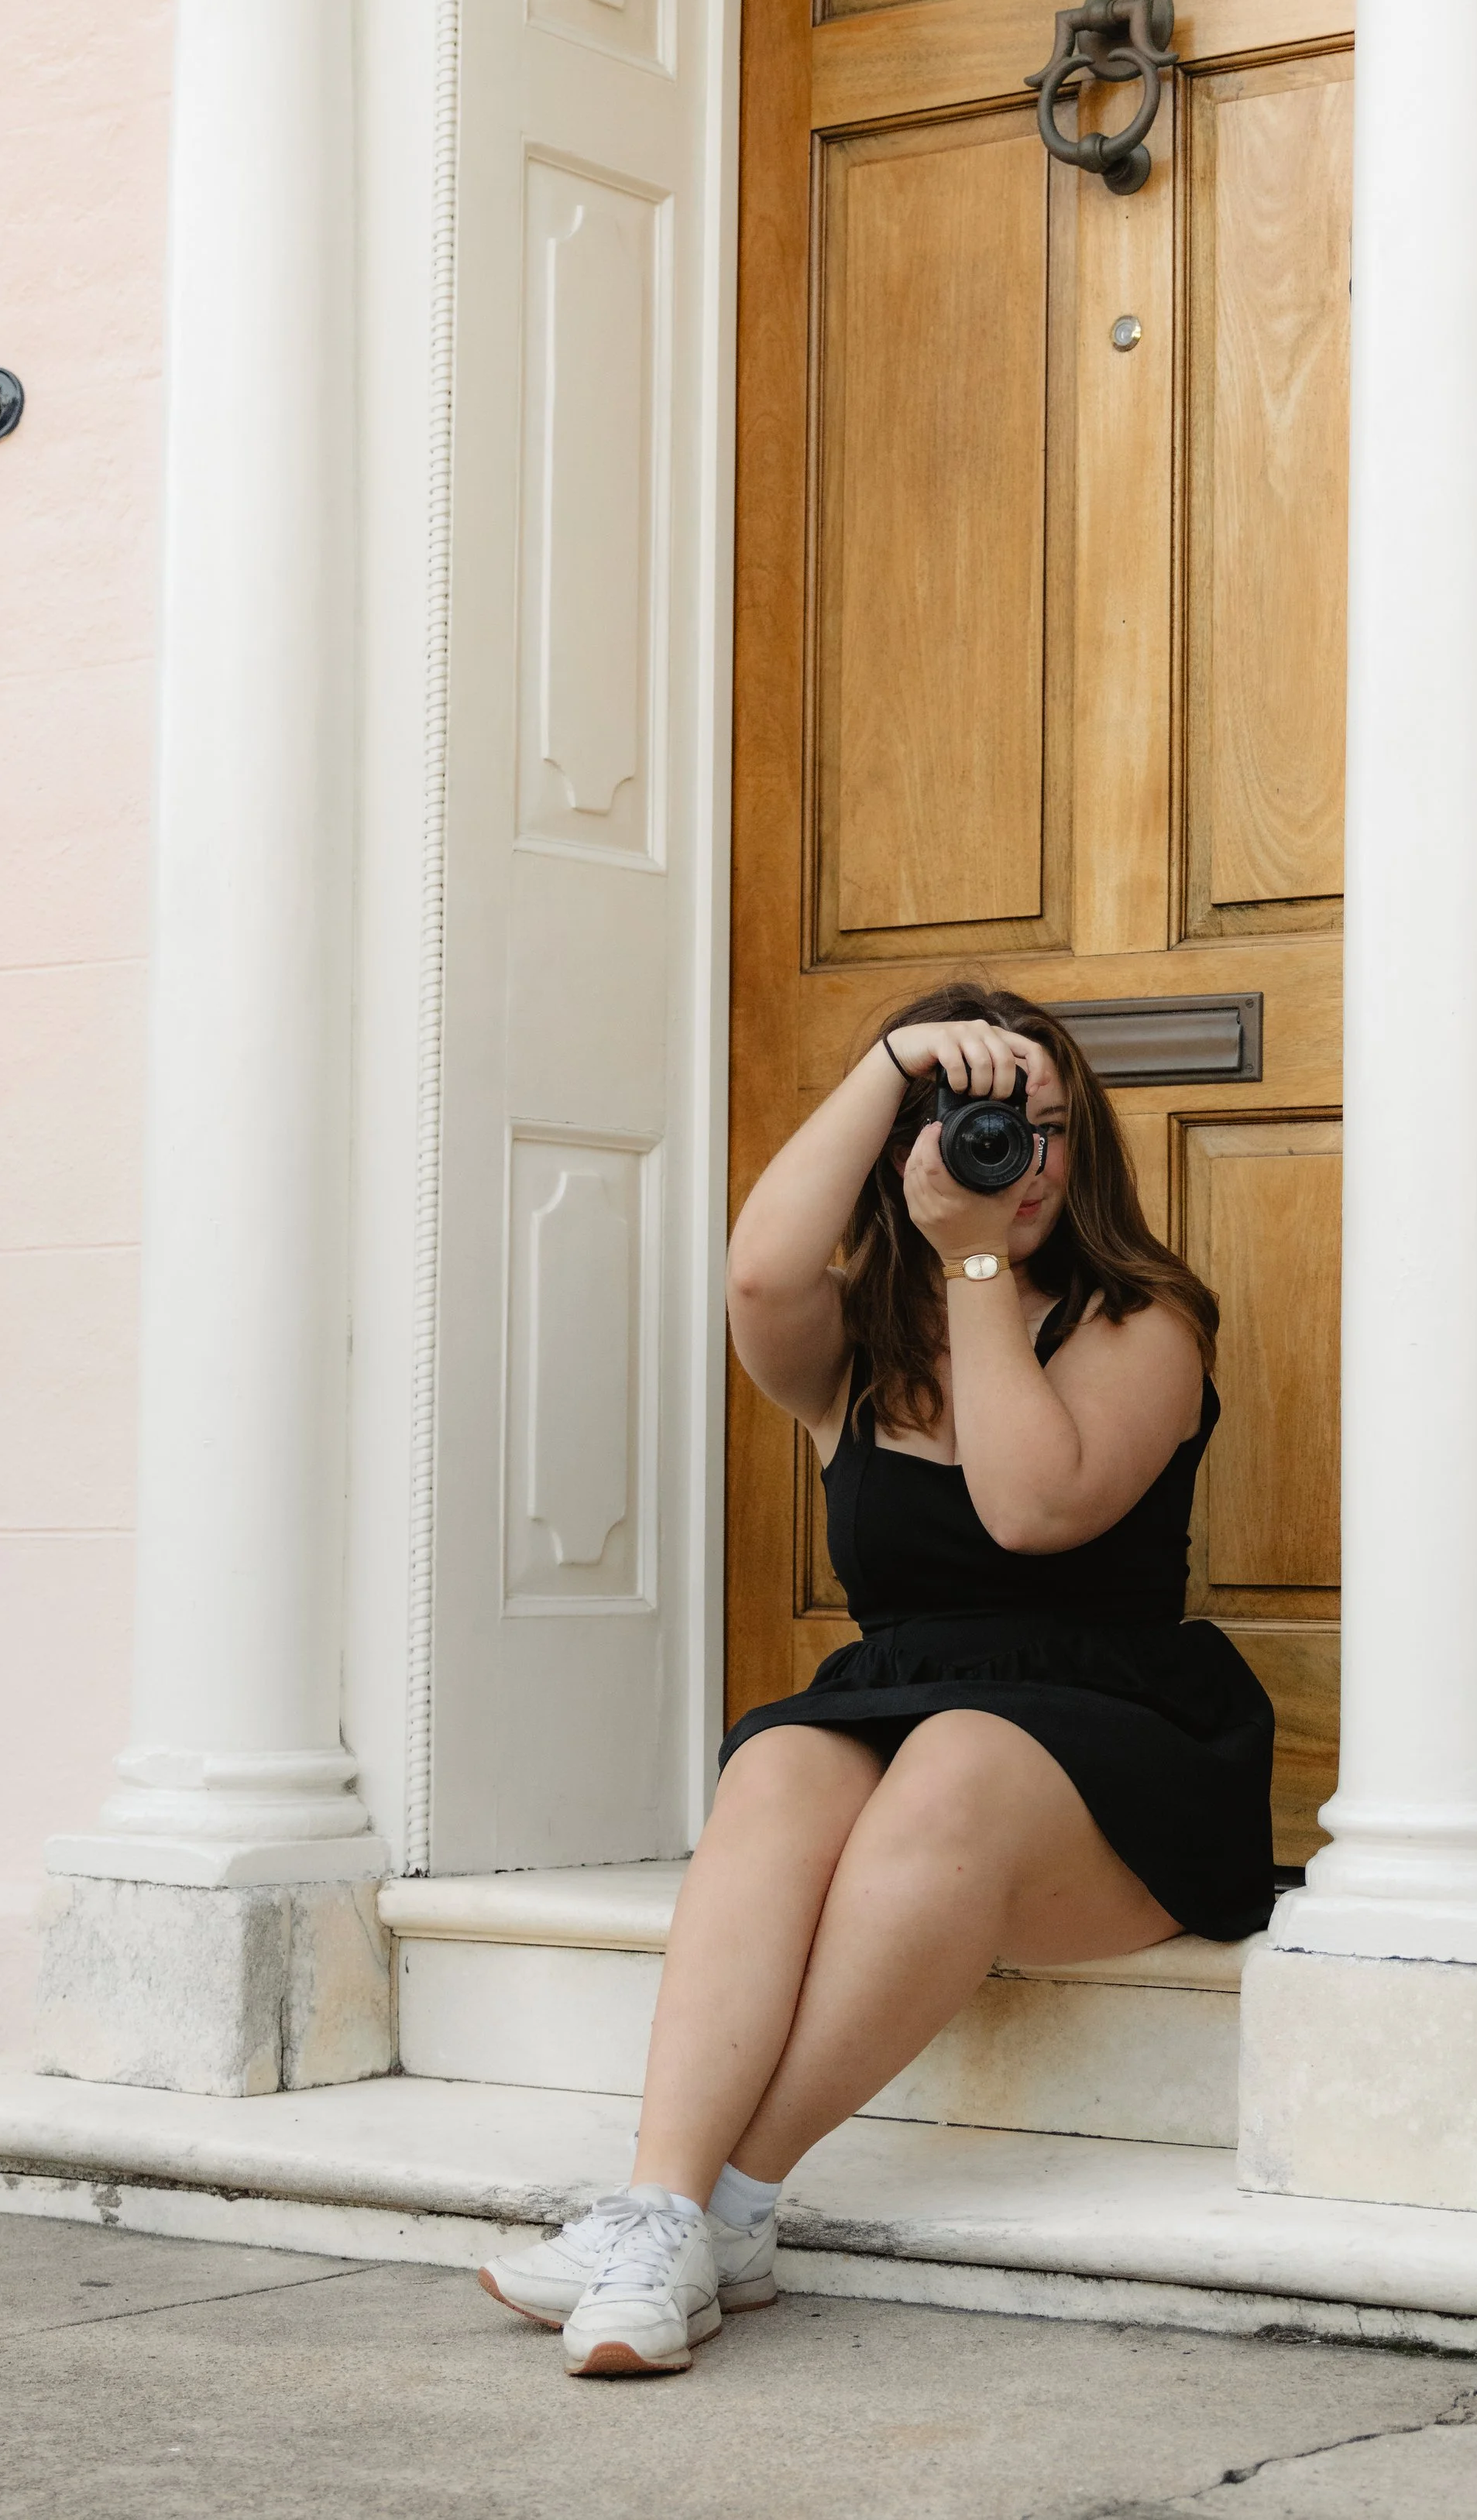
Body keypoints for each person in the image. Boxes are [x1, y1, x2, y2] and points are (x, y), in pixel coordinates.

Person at [480, 983, 1276, 2375]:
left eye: (1037, 1127)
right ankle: (663, 2207)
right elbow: (757, 1276)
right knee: (780, 1758)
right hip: (903, 1717)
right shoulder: (851, 1346)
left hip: (1120, 1747)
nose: (1007, 1155)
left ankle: (733, 2198)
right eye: (963, 1122)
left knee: (958, 1753)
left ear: (1081, 1142)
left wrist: (976, 1269)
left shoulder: (1140, 1319)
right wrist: (891, 1062)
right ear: (899, 1147)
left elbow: (1032, 1510)